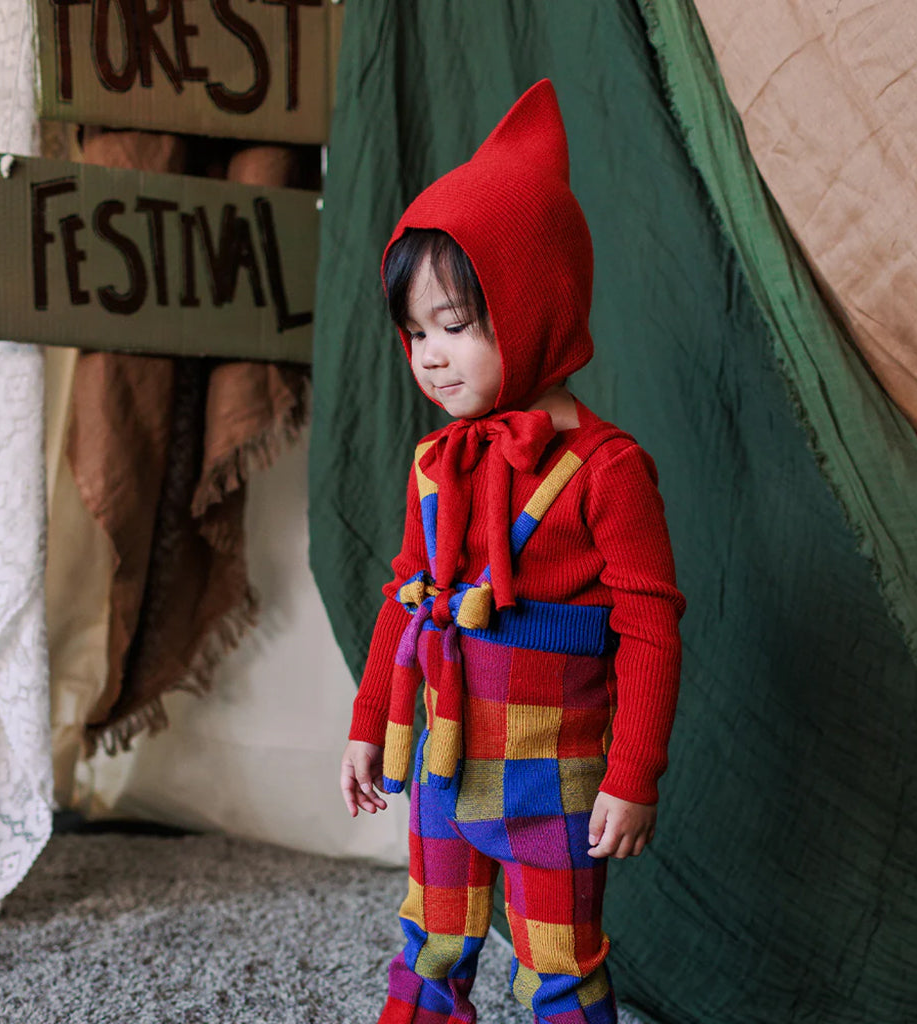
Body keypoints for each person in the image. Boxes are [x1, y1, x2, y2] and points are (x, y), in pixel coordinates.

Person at [340, 79, 685, 1024]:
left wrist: (630, 774)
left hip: (554, 780)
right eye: (414, 332)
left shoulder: (610, 470)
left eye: (455, 326)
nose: (431, 356)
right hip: (441, 763)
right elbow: (406, 601)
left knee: (560, 965)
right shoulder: (433, 464)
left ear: (534, 309)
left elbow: (651, 628)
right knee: (431, 940)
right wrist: (371, 720)